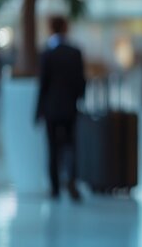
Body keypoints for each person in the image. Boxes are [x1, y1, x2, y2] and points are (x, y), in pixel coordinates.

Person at [35, 16, 86, 201]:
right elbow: (81, 81)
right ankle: (71, 179)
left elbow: (43, 84)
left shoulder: (47, 53)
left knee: (52, 148)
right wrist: (79, 99)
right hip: (69, 107)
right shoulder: (75, 52)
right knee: (70, 146)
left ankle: (55, 187)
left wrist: (38, 111)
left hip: (50, 108)